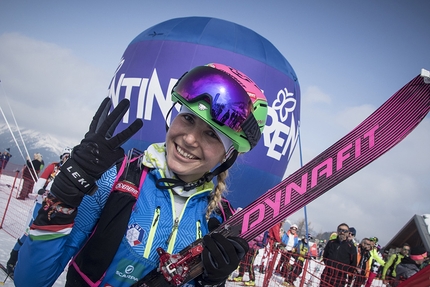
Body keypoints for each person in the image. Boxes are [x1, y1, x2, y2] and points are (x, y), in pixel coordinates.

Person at [14, 63, 269, 287]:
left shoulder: (217, 219)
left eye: (211, 134)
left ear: (228, 155)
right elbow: (31, 281)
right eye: (188, 119)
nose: (190, 138)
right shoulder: (117, 179)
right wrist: (61, 199)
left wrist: (211, 281)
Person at [5, 147, 72, 275]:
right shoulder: (53, 167)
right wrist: (43, 192)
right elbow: (37, 187)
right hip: (40, 206)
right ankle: (12, 261)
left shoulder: (69, 173)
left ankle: (27, 266)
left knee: (41, 238)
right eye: (65, 156)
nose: (67, 160)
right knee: (28, 233)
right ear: (62, 156)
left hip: (53, 210)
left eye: (70, 157)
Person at [319, 223, 357, 287]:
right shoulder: (331, 242)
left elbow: (353, 263)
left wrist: (345, 270)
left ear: (348, 233)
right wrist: (329, 264)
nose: (342, 232)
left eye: (345, 231)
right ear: (337, 231)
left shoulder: (351, 247)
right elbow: (325, 255)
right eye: (340, 230)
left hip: (340, 277)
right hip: (327, 273)